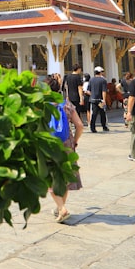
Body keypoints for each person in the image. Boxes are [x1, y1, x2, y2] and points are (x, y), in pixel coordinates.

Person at [45, 74, 82, 223]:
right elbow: (79, 125)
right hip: (67, 144)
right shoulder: (66, 104)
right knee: (65, 177)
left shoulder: (41, 105)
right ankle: (60, 207)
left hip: (48, 145)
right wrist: (75, 141)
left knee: (49, 178)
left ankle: (61, 208)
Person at [86, 66, 109, 132]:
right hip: (100, 100)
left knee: (94, 114)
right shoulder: (103, 80)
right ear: (100, 72)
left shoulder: (91, 80)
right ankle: (104, 126)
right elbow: (104, 91)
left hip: (93, 99)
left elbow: (88, 90)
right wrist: (104, 100)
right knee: (102, 113)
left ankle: (92, 127)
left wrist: (92, 95)